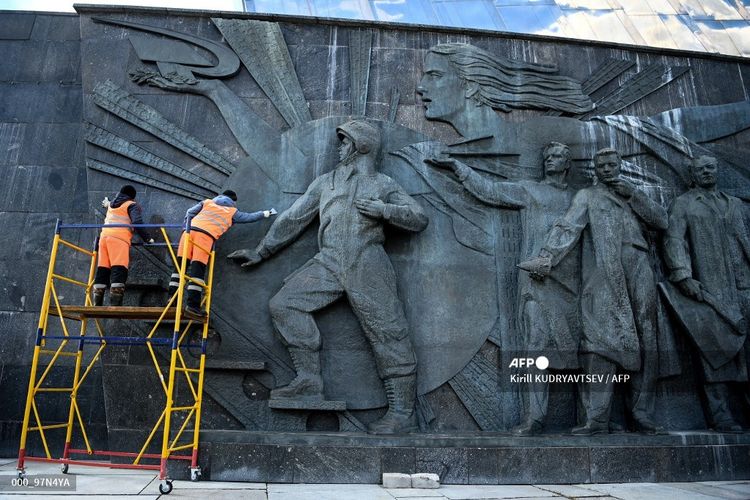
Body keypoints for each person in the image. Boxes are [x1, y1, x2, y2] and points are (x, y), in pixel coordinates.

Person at [228, 119, 428, 434]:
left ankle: (403, 413)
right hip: (330, 260)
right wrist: (262, 250)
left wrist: (384, 211)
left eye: (344, 142)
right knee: (285, 304)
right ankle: (308, 381)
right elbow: (294, 218)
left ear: (361, 146)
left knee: (388, 332)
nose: (339, 148)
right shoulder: (327, 182)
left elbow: (418, 217)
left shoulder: (383, 183)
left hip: (367, 262)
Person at [430, 142, 581, 434]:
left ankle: (596, 420)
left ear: (568, 164)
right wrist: (458, 168)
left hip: (575, 285)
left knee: (589, 352)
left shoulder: (580, 198)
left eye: (557, 156)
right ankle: (534, 418)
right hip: (537, 284)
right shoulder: (529, 191)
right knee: (535, 347)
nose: (551, 160)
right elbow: (490, 191)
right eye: (547, 156)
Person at [521, 148, 668, 435]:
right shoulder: (587, 196)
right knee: (601, 339)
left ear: (620, 165)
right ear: (595, 169)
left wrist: (633, 194)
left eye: (612, 164)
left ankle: (641, 412)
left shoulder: (633, 194)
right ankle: (597, 417)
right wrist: (547, 257)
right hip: (604, 268)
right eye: (601, 166)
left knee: (646, 335)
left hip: (637, 265)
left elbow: (661, 221)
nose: (607, 169)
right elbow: (568, 227)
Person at [663, 155, 750, 432]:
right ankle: (721, 414)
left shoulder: (736, 205)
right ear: (693, 175)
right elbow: (674, 239)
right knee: (714, 350)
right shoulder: (684, 204)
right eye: (700, 169)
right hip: (712, 285)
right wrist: (682, 274)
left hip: (744, 285)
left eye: (710, 167)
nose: (706, 172)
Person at [171, 190, 276, 315]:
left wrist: (186, 227)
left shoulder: (207, 203)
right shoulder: (232, 212)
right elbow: (249, 217)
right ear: (232, 202)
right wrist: (266, 213)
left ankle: (171, 300)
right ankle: (192, 306)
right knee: (197, 270)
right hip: (204, 236)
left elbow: (189, 212)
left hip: (187, 233)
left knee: (180, 266)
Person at [93, 185, 154, 306]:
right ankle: (115, 303)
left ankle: (97, 301)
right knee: (119, 268)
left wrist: (107, 203)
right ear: (132, 197)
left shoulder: (112, 204)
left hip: (104, 237)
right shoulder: (131, 205)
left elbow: (110, 206)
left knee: (103, 268)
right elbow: (137, 222)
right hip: (119, 238)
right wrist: (147, 238)